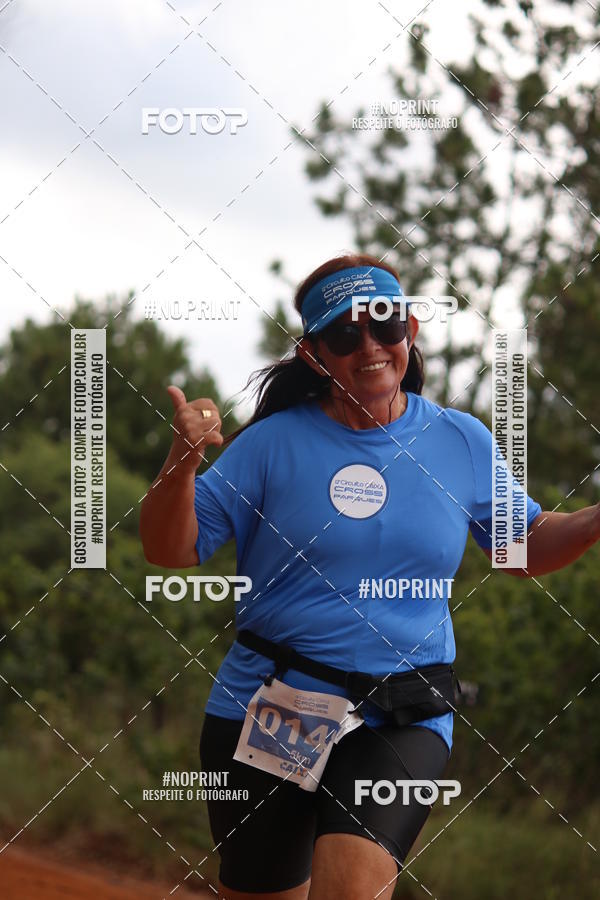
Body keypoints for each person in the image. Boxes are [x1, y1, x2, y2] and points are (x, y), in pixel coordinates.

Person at [140, 253, 600, 900]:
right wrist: (180, 464)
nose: (371, 346)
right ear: (314, 354)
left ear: (410, 328)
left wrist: (592, 521)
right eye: (344, 334)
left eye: (383, 323)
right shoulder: (271, 445)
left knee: (352, 892)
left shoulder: (460, 440)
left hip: (402, 712)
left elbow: (520, 546)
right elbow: (170, 549)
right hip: (277, 705)